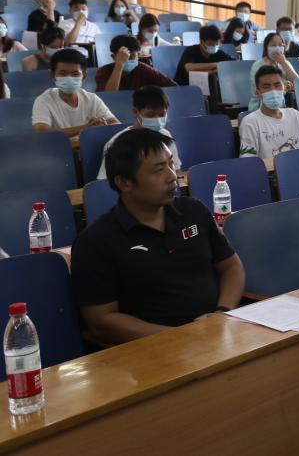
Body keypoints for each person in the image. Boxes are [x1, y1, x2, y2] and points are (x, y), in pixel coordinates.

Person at [71, 128, 244, 344]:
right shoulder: (96, 241)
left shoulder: (193, 210)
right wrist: (181, 337)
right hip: (153, 348)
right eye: (159, 170)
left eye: (171, 164)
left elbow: (231, 266)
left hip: (216, 334)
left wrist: (222, 312)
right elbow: (102, 321)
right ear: (125, 182)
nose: (172, 176)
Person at [97, 86, 182, 179]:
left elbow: (176, 170)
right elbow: (105, 181)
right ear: (135, 112)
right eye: (150, 115)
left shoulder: (165, 135)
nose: (157, 119)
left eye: (162, 114)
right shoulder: (117, 143)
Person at [31, 48, 118, 136]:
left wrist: (102, 124)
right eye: (62, 74)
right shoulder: (44, 100)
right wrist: (87, 128)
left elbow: (116, 124)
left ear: (84, 76)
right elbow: (42, 132)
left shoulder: (92, 99)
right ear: (53, 75)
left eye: (75, 74)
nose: (69, 78)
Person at [95, 35, 177, 92]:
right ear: (113, 57)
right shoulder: (103, 71)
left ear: (138, 55)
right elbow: (109, 95)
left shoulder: (143, 68)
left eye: (133, 56)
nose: (127, 60)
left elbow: (173, 86)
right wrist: (120, 64)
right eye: (124, 57)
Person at [247, 33, 299, 111]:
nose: (277, 48)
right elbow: (261, 89)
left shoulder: (284, 63)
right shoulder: (257, 65)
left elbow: (297, 83)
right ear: (266, 47)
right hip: (259, 107)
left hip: (281, 106)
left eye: (280, 45)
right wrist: (282, 86)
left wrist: (284, 63)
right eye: (273, 45)